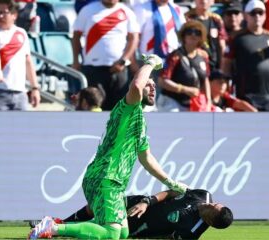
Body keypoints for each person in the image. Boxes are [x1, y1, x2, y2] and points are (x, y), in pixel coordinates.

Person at [28, 54, 189, 240]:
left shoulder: (139, 120)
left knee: (122, 232)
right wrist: (151, 63)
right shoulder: (128, 108)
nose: (152, 87)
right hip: (105, 177)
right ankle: (53, 228)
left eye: (154, 85)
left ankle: (58, 225)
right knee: (112, 234)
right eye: (149, 84)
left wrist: (171, 182)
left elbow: (146, 158)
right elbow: (136, 85)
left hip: (114, 182)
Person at [30, 189, 233, 239]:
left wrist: (143, 233)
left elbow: (167, 237)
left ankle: (54, 229)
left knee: (105, 231)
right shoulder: (203, 195)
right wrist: (147, 201)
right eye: (214, 204)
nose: (209, 204)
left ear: (209, 221)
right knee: (97, 206)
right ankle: (56, 224)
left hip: (139, 226)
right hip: (141, 203)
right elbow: (171, 192)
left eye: (211, 209)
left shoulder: (193, 231)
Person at [71, 0, 140, 110]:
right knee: (94, 108)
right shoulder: (87, 10)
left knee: (119, 110)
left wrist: (123, 61)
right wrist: (76, 60)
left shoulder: (127, 12)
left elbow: (134, 39)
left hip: (119, 71)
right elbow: (76, 36)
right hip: (93, 70)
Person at [221, 0, 269, 111]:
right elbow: (226, 65)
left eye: (260, 13)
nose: (257, 16)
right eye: (253, 13)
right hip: (246, 97)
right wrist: (226, 90)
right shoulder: (236, 39)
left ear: (265, 16)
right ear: (246, 16)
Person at [0, 0, 40, 110]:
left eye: (5, 12)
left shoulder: (21, 33)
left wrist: (35, 88)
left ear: (14, 15)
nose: (0, 16)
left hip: (20, 95)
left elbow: (27, 61)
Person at [157, 21, 211, 112]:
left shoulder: (203, 56)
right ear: (183, 36)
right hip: (172, 101)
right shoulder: (175, 56)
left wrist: (208, 101)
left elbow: (205, 79)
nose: (193, 35)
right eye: (189, 32)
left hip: (194, 103)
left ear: (201, 37)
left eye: (197, 33)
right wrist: (184, 89)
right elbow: (162, 81)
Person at [185, 0, 227, 71]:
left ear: (213, 1)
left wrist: (222, 67)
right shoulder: (188, 19)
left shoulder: (216, 20)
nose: (204, 1)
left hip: (215, 64)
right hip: (196, 65)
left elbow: (222, 45)